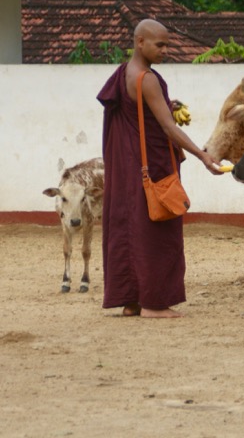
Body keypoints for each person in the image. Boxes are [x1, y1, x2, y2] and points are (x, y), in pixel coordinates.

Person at [97, 19, 221, 318]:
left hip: (127, 167)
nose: (166, 50)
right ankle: (154, 304)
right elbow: (167, 127)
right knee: (157, 230)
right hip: (151, 167)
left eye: (167, 44)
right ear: (140, 42)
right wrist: (202, 156)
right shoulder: (148, 78)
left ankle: (131, 301)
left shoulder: (125, 73)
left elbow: (142, 112)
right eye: (160, 44)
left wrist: (167, 103)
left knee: (129, 227)